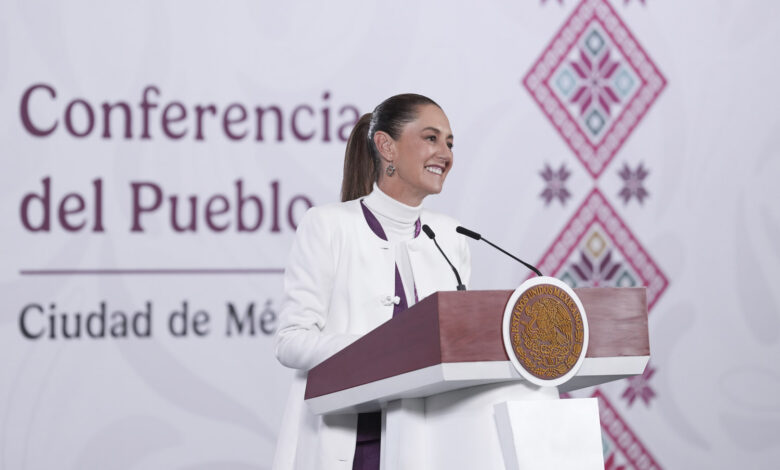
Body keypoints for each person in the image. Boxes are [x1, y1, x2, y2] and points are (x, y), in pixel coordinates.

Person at [272, 94, 471, 470]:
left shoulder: (452, 237)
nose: (445, 154)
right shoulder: (328, 225)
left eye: (449, 143)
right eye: (431, 138)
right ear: (386, 146)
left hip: (429, 448)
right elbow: (291, 342)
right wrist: (380, 349)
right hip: (354, 445)